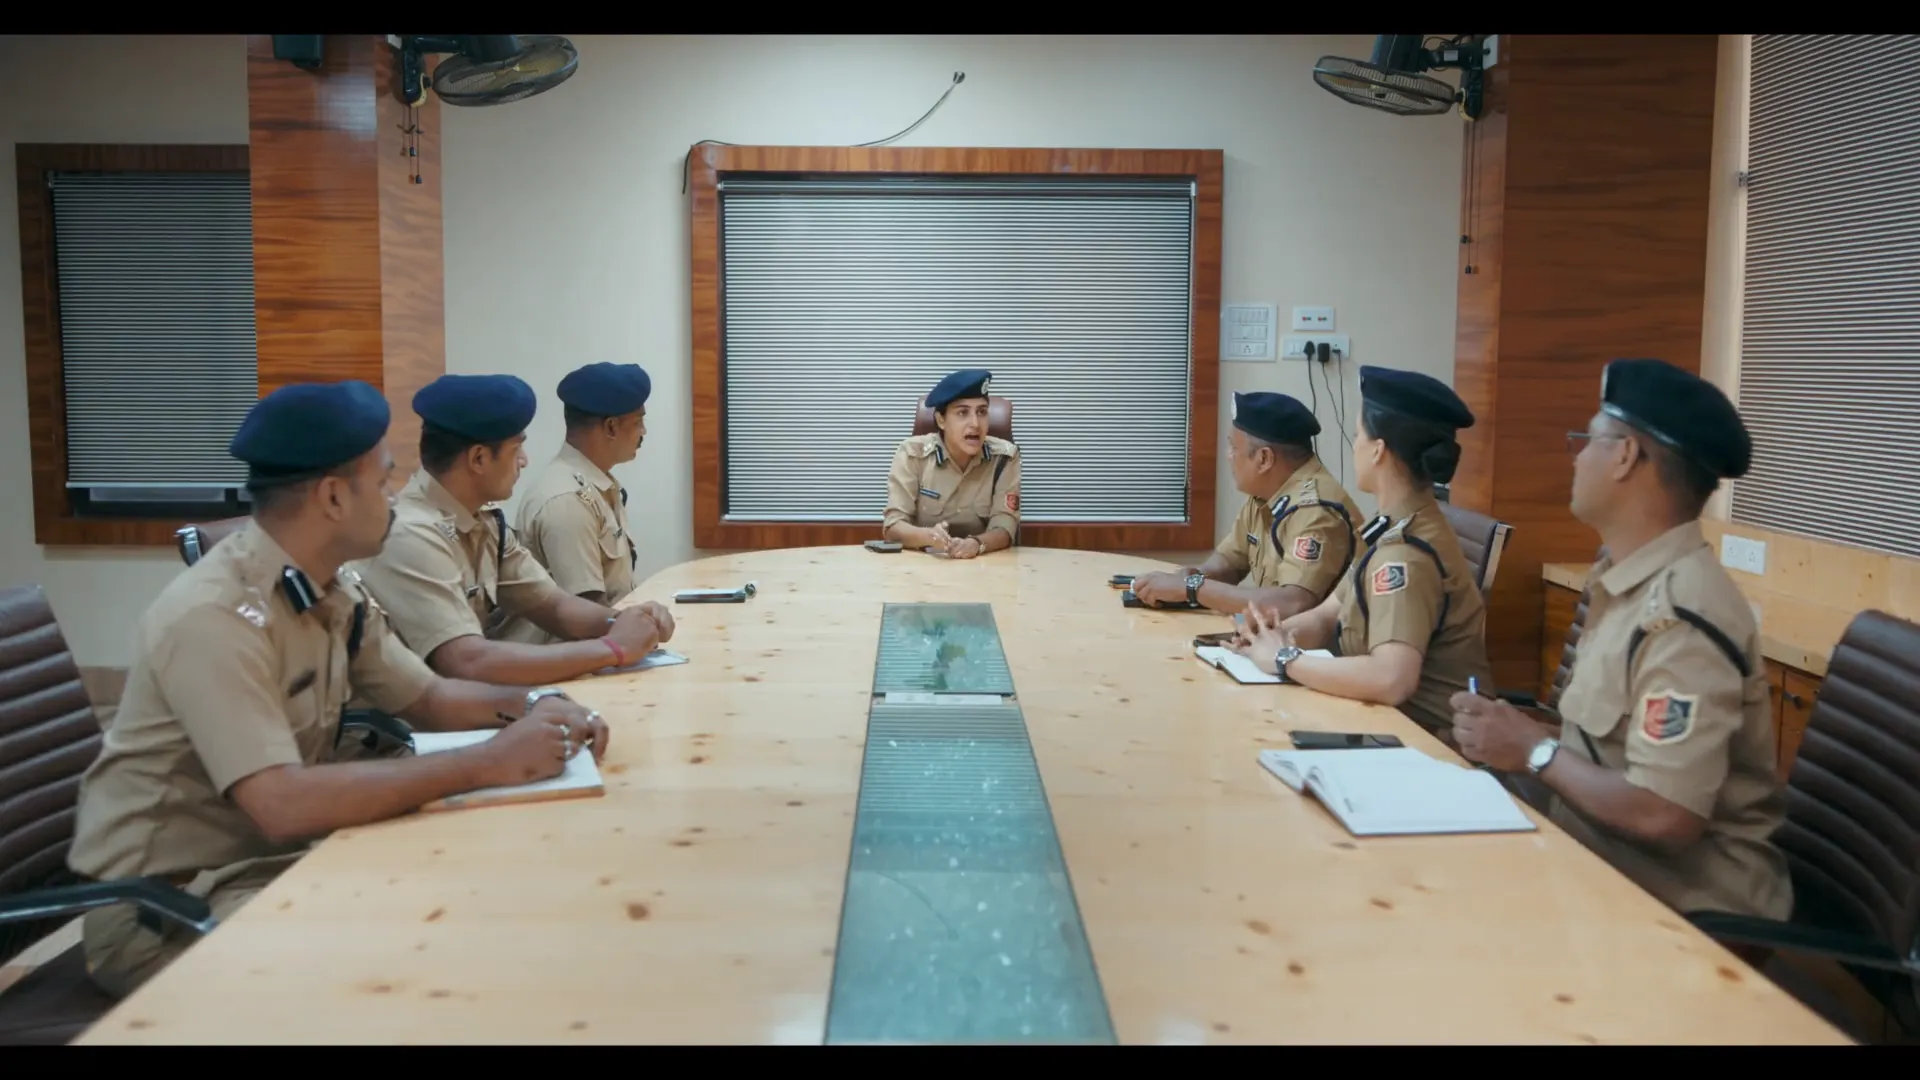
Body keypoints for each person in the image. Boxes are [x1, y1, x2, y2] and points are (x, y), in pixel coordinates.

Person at [65, 380, 608, 999]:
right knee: (426, 960)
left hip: (271, 865)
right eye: (381, 482)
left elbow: (428, 698)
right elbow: (281, 803)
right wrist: (487, 762)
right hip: (170, 912)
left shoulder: (329, 590)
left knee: (483, 893)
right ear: (332, 497)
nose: (394, 499)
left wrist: (539, 706)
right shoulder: (213, 616)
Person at [1445, 358, 1791, 923]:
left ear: (1626, 455)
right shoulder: (1623, 582)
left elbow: (1664, 813)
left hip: (1684, 914)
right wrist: (1513, 731)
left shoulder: (1682, 620)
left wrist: (1533, 751)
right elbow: (1609, 748)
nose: (1576, 458)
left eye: (1587, 441)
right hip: (1595, 862)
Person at [352, 373, 675, 684]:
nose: (524, 460)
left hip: (462, 703)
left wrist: (625, 621)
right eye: (516, 449)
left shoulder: (484, 521)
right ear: (479, 459)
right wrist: (612, 648)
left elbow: (554, 606)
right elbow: (466, 661)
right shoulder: (411, 533)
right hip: (405, 720)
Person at [1231, 365, 1491, 740]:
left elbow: (1391, 679)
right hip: (1386, 724)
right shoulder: (1391, 527)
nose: (1354, 447)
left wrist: (1285, 659)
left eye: (1358, 437)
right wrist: (1271, 638)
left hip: (1427, 741)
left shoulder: (1404, 555)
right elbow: (1327, 616)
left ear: (1378, 451)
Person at [1129, 391, 1359, 618]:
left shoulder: (1315, 511)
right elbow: (1229, 562)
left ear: (1264, 459)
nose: (1228, 456)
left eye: (1234, 448)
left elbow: (1292, 603)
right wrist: (1191, 577)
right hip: (1275, 636)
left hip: (1319, 642)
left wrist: (1192, 588)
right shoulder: (1267, 493)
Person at [498, 362, 649, 644]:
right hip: (565, 660)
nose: (644, 431)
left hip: (604, 646)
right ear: (611, 427)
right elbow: (588, 612)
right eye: (638, 421)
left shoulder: (596, 486)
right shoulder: (566, 499)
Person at [882, 369, 1021, 559]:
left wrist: (976, 544)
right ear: (941, 420)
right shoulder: (913, 454)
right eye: (963, 412)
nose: (975, 423)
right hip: (923, 565)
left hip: (984, 564)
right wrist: (930, 537)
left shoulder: (1004, 457)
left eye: (982, 412)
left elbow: (1005, 527)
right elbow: (893, 527)